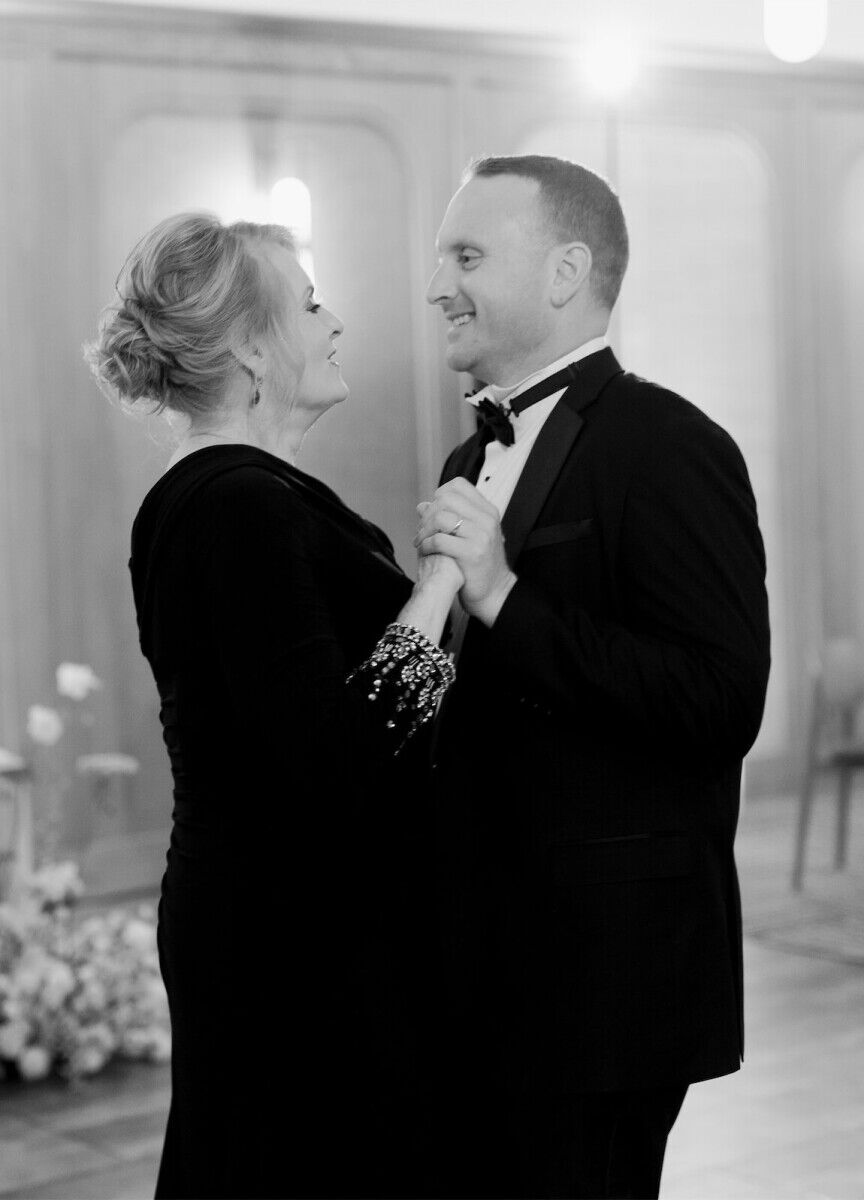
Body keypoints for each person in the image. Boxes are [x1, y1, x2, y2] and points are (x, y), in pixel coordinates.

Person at [85, 213, 461, 1199]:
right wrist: (440, 582)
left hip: (275, 913)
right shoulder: (237, 505)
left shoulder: (230, 496)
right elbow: (335, 756)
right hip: (291, 938)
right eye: (309, 303)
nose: (334, 321)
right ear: (255, 346)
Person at [417, 155, 772, 1199]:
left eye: (467, 254)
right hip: (485, 957)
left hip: (607, 975)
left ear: (567, 269)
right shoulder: (462, 462)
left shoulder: (670, 445)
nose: (438, 283)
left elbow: (718, 701)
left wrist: (505, 598)